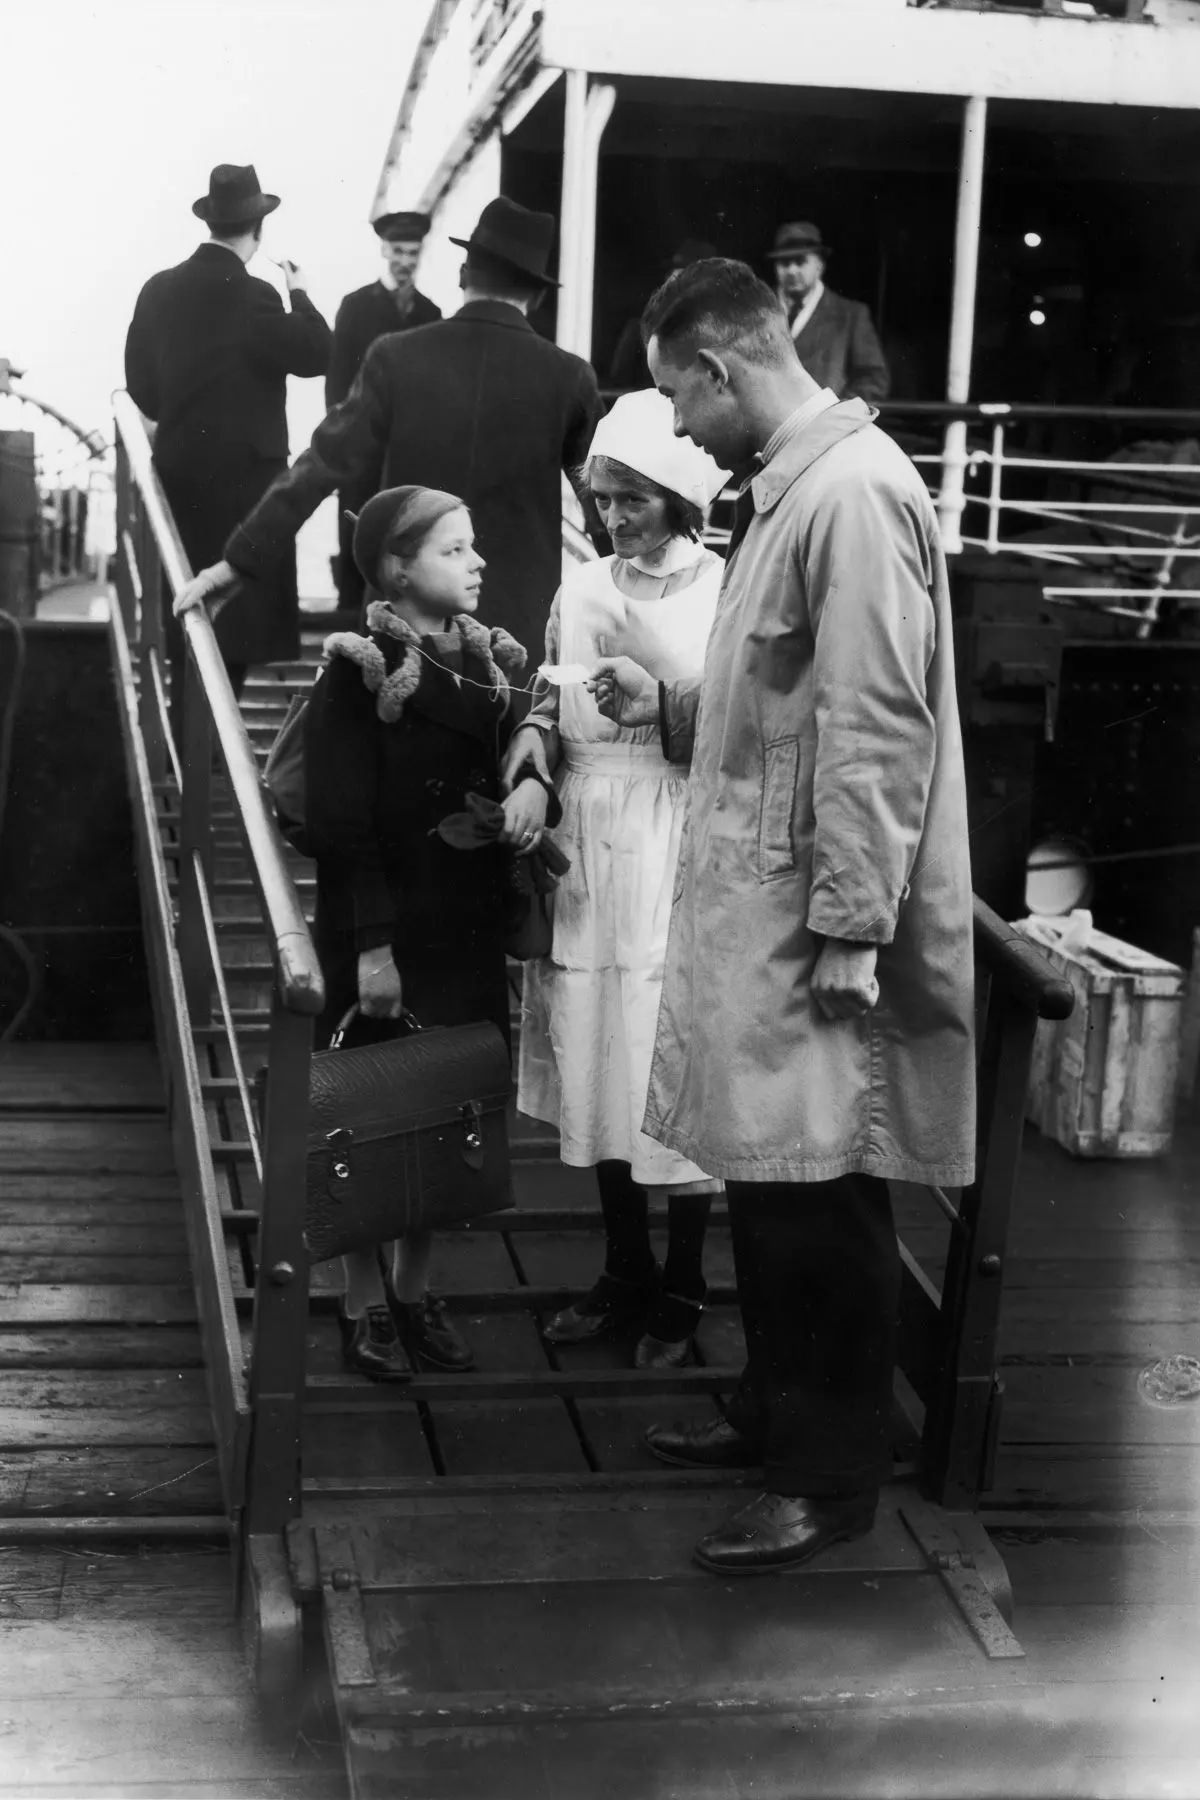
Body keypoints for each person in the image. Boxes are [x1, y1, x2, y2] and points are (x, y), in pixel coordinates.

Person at [591, 258, 975, 1575]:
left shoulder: (855, 499)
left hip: (816, 929)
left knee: (822, 1194)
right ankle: (774, 1413)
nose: (679, 428)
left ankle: (828, 1477)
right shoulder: (802, 493)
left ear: (718, 365)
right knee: (772, 1175)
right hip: (774, 911)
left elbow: (878, 720)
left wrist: (858, 925)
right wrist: (684, 714)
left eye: (675, 398)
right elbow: (782, 702)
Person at [303, 485, 558, 1377]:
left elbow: (527, 745)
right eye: (455, 551)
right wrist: (373, 946)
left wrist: (530, 792)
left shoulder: (488, 667)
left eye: (474, 545)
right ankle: (364, 1304)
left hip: (461, 923)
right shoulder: (358, 668)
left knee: (448, 1113)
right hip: (386, 926)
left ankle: (416, 1295)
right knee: (370, 1114)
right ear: (398, 569)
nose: (479, 562)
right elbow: (341, 824)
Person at [505, 389, 729, 1369]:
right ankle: (622, 1269)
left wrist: (661, 702)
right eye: (599, 499)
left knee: (667, 1056)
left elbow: (742, 726)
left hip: (678, 832)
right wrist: (528, 761)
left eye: (629, 499)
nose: (611, 519)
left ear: (676, 495)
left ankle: (685, 1284)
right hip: (591, 842)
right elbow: (546, 704)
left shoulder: (727, 586)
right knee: (596, 1051)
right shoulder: (582, 587)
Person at [172, 197, 604, 676]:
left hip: (405, 638)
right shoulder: (571, 379)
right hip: (515, 644)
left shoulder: (395, 357)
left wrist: (236, 563)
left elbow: (321, 464)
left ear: (464, 274)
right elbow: (605, 501)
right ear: (539, 295)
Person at [124, 164, 331, 706]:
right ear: (258, 230)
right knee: (233, 626)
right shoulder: (257, 295)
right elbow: (317, 353)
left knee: (184, 609)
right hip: (247, 489)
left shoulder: (159, 289)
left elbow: (141, 389)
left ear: (210, 223)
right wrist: (301, 294)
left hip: (180, 480)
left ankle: (190, 741)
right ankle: (214, 753)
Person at [325, 211, 442, 613]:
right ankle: (348, 625)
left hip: (408, 456)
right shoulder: (355, 307)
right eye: (397, 251)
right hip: (363, 455)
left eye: (413, 252)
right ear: (384, 250)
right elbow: (337, 385)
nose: (405, 261)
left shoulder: (430, 313)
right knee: (357, 539)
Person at [766, 221, 890, 405]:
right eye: (784, 263)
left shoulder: (850, 315)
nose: (792, 270)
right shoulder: (759, 312)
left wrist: (836, 412)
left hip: (825, 428)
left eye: (800, 261)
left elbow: (873, 380)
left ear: (819, 265)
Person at [608, 239, 718, 392]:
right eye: (674, 275)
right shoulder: (637, 331)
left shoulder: (723, 333)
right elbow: (618, 385)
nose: (673, 281)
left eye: (684, 277)